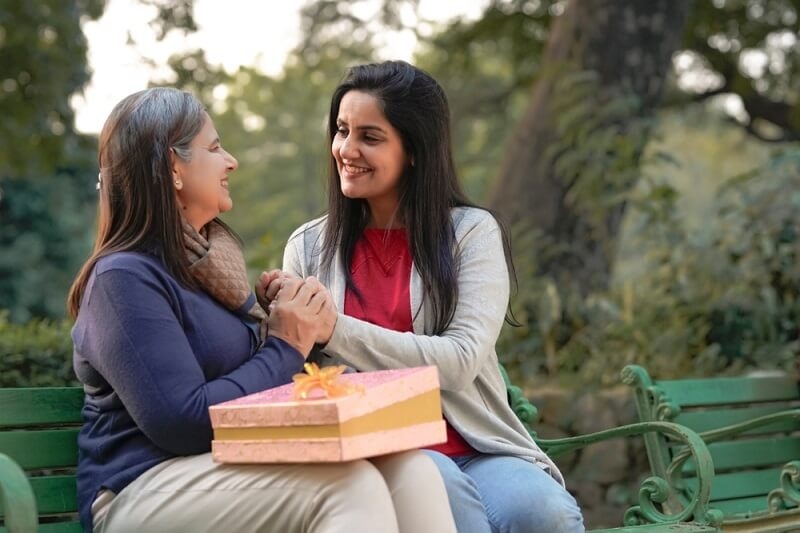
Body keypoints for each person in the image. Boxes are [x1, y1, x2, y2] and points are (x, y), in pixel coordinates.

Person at [67, 87, 456, 533]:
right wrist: (285, 344)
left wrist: (286, 325)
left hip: (230, 466)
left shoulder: (212, 270)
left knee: (411, 471)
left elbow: (261, 383)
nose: (230, 161)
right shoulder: (123, 279)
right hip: (141, 486)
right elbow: (183, 423)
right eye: (214, 148)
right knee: (348, 486)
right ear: (174, 167)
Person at [260, 61, 585, 533]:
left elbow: (460, 360)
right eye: (342, 130)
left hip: (477, 446)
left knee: (546, 513)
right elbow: (296, 368)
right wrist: (275, 314)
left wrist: (332, 326)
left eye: (370, 137)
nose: (346, 150)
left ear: (414, 149)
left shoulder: (470, 234)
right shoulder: (307, 247)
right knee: (444, 497)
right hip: (382, 451)